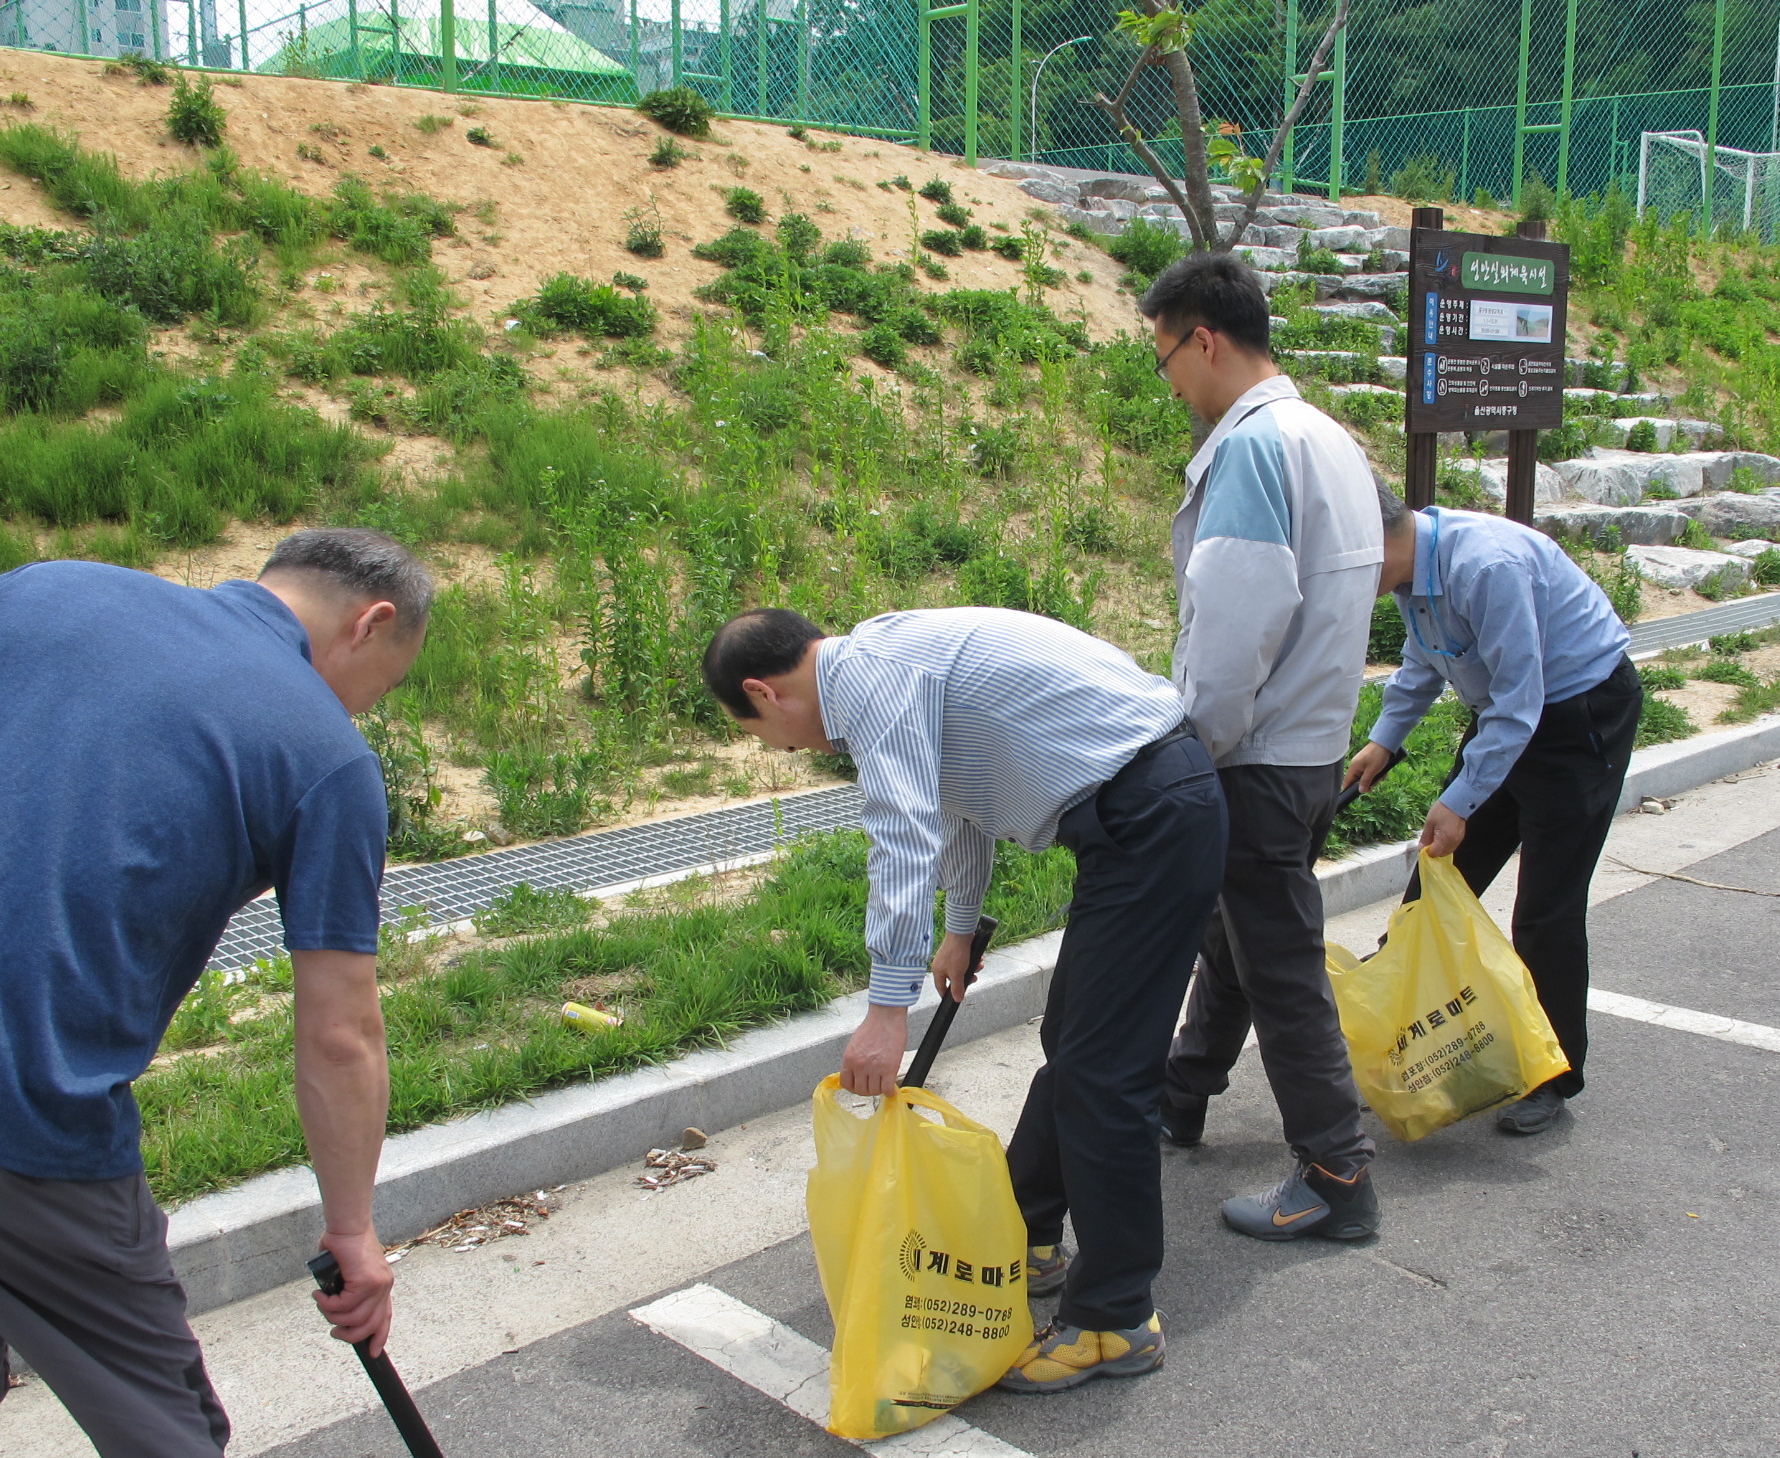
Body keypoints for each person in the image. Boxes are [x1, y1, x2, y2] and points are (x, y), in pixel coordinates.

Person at [0, 531, 430, 1458]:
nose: (359, 715)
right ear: (368, 625)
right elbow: (339, 1028)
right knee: (160, 1421)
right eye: (373, 693)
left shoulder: (34, 591)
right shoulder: (323, 757)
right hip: (19, 1117)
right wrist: (353, 1232)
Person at [702, 606, 1226, 1393]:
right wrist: (959, 926)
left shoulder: (869, 682)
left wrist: (887, 1012)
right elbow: (954, 797)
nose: (776, 749)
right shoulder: (884, 656)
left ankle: (1116, 1321)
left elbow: (903, 831)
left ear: (763, 693)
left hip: (1150, 816)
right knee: (1078, 1049)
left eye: (756, 733)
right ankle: (1027, 1236)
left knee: (1102, 1076)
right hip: (1149, 809)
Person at [1137, 252, 1387, 1242]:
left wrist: (1190, 743)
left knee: (1277, 962)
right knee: (1234, 936)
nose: (1170, 385)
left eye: (1164, 360)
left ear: (1203, 339)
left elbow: (1237, 620)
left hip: (1256, 752)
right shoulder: (1326, 436)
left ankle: (1336, 1171)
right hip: (1312, 745)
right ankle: (1182, 1093)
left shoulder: (1250, 448)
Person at [1347, 483, 1642, 1135]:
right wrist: (1384, 740)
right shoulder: (1410, 575)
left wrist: (1459, 801)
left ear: (1370, 542)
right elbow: (1424, 663)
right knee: (1433, 886)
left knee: (1546, 910)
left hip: (1578, 717)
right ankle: (1405, 1044)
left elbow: (1521, 699)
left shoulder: (1486, 565)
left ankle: (1555, 1076)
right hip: (1510, 716)